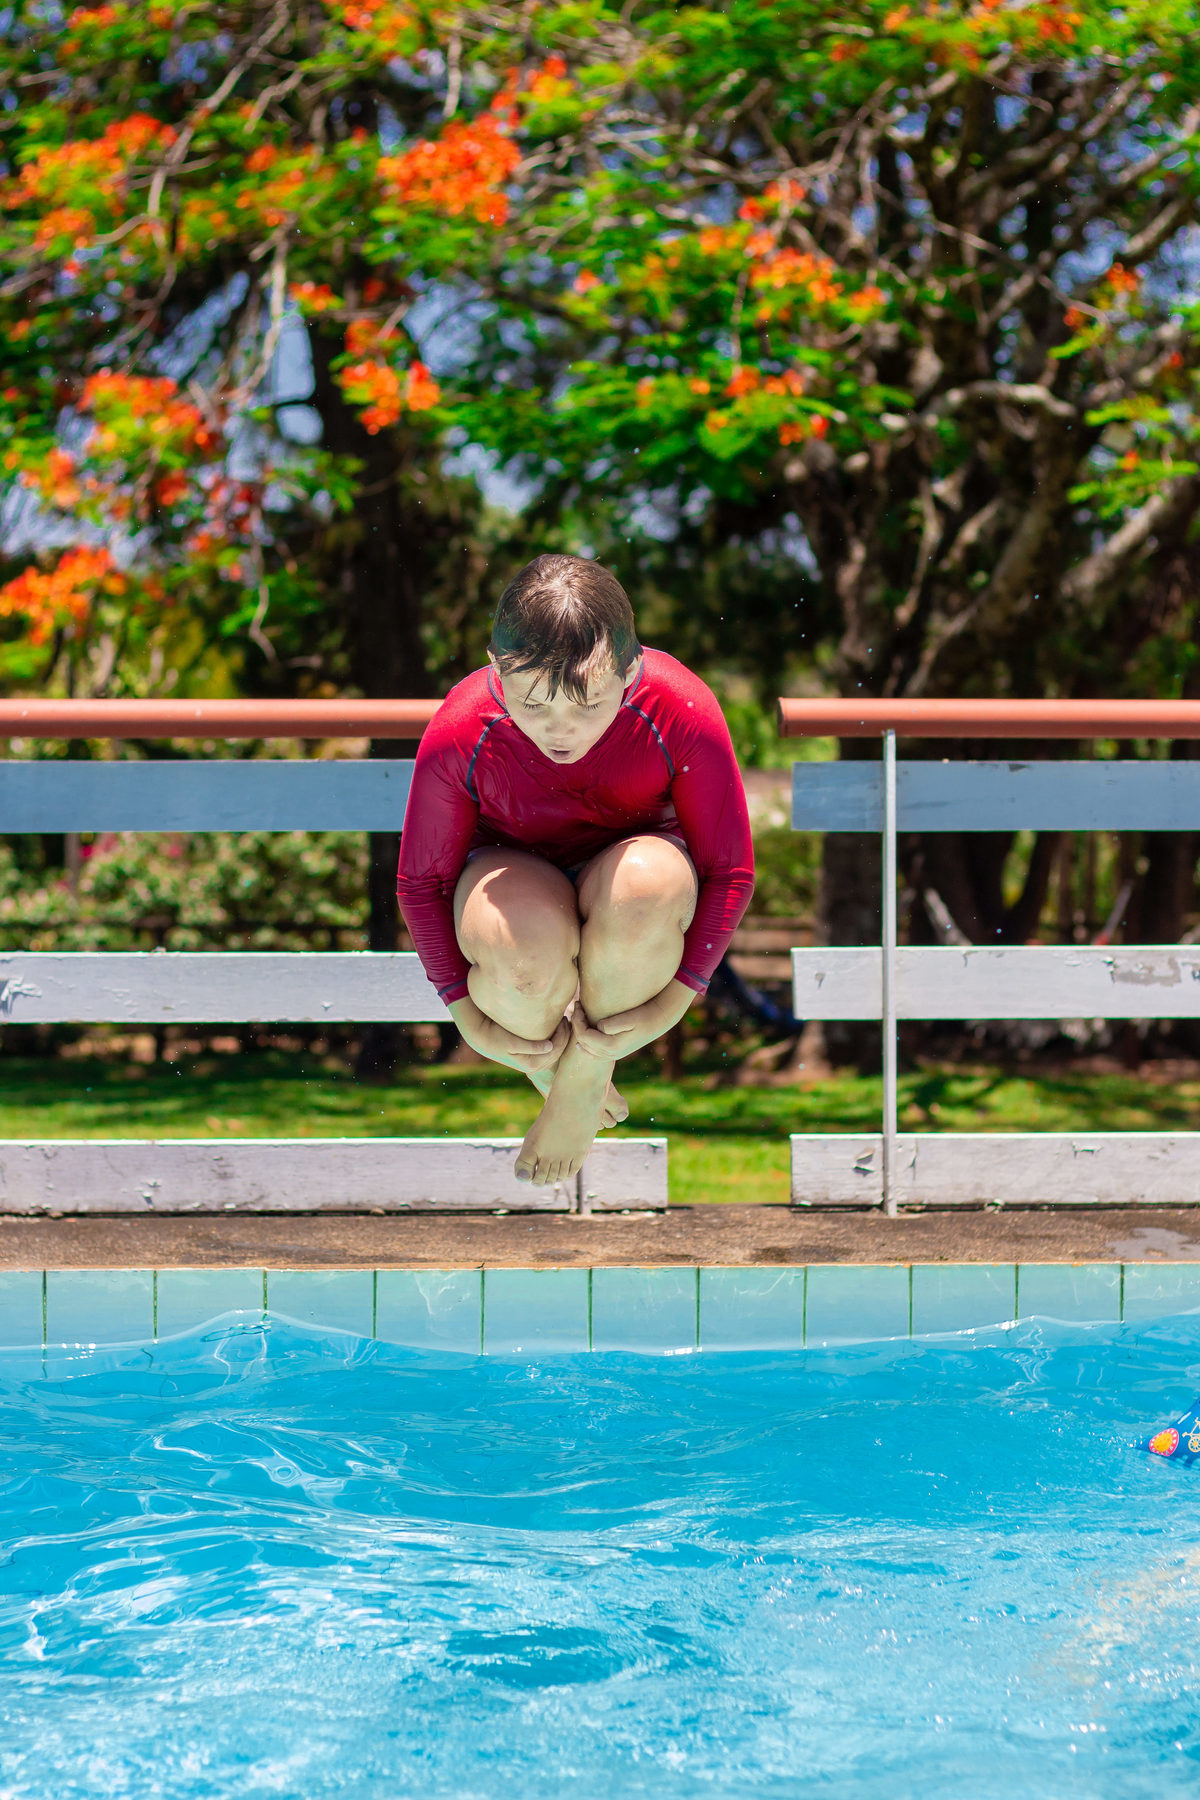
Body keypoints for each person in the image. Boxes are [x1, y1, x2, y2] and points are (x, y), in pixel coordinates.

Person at [396, 553, 755, 1187]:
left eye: (588, 704)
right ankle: (557, 1071)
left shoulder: (678, 708)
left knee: (645, 888)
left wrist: (676, 1000)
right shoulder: (462, 728)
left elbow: (730, 870)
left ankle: (586, 1071)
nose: (560, 731)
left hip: (634, 876)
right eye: (534, 705)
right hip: (511, 878)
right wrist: (466, 1016)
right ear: (497, 671)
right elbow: (421, 884)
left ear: (630, 671)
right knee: (520, 942)